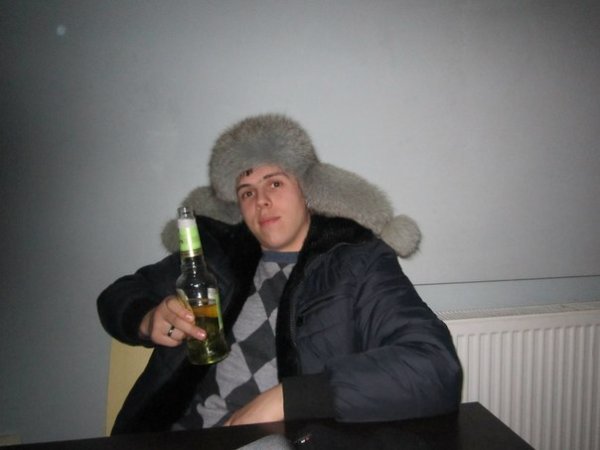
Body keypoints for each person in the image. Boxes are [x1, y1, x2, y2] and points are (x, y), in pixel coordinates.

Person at [97, 114, 462, 435]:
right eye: (247, 192)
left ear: (306, 190)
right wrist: (146, 318)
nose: (261, 201)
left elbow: (434, 366)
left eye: (274, 183)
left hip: (280, 439)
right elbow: (118, 295)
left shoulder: (358, 262)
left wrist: (293, 398)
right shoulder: (215, 254)